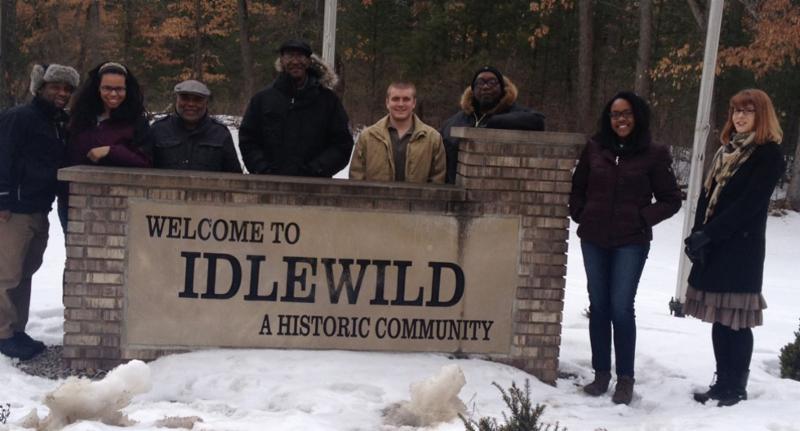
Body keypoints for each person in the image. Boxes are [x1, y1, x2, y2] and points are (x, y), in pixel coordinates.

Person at [569, 91, 681, 405]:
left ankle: (625, 379)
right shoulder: (594, 148)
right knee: (599, 306)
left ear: (638, 117)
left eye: (627, 113)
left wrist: (642, 219)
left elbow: (672, 199)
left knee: (621, 307)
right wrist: (581, 212)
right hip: (594, 238)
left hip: (630, 242)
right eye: (615, 114)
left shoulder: (654, 153)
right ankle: (601, 373)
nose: (621, 120)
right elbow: (577, 188)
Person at [684, 89, 785, 407]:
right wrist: (696, 235)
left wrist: (709, 234)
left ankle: (736, 386)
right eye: (735, 111)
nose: (739, 117)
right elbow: (706, 197)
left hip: (741, 250)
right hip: (714, 246)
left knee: (736, 321)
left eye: (748, 111)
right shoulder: (724, 152)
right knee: (719, 318)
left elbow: (748, 205)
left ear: (761, 115)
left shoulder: (768, 155)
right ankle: (721, 381)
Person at [0, 63, 79, 360]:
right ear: (41, 87)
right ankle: (3, 335)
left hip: (38, 208)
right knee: (5, 274)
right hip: (13, 211)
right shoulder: (19, 117)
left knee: (24, 272)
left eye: (67, 89)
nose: (61, 93)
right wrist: (3, 199)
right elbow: (2, 155)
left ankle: (15, 330)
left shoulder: (58, 123)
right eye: (56, 86)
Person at [238, 39, 352, 177]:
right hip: (269, 187)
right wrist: (263, 169)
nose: (296, 61)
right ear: (281, 61)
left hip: (315, 189)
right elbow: (248, 140)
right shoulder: (262, 100)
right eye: (290, 56)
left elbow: (342, 144)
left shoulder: (328, 101)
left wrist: (316, 170)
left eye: (301, 56)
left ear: (309, 61)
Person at [61, 61, 152, 229]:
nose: (113, 93)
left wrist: (111, 151)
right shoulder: (79, 118)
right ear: (97, 88)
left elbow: (145, 161)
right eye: (107, 88)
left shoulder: (136, 121)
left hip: (117, 204)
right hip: (76, 201)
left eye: (119, 89)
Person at [439, 66, 545, 184]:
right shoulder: (454, 122)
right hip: (458, 190)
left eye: (492, 82)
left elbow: (538, 121)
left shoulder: (512, 112)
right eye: (480, 83)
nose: (485, 87)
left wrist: (494, 123)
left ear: (502, 89)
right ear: (472, 90)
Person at [349, 82, 445, 183]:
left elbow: (437, 181)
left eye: (406, 99)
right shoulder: (367, 137)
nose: (400, 104)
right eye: (395, 99)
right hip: (376, 199)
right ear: (387, 102)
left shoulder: (433, 139)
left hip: (417, 199)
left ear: (414, 103)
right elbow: (356, 178)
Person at [148, 79, 242, 173]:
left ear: (206, 102)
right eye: (185, 98)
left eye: (197, 99)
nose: (191, 104)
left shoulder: (220, 134)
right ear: (177, 100)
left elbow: (234, 176)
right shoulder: (157, 130)